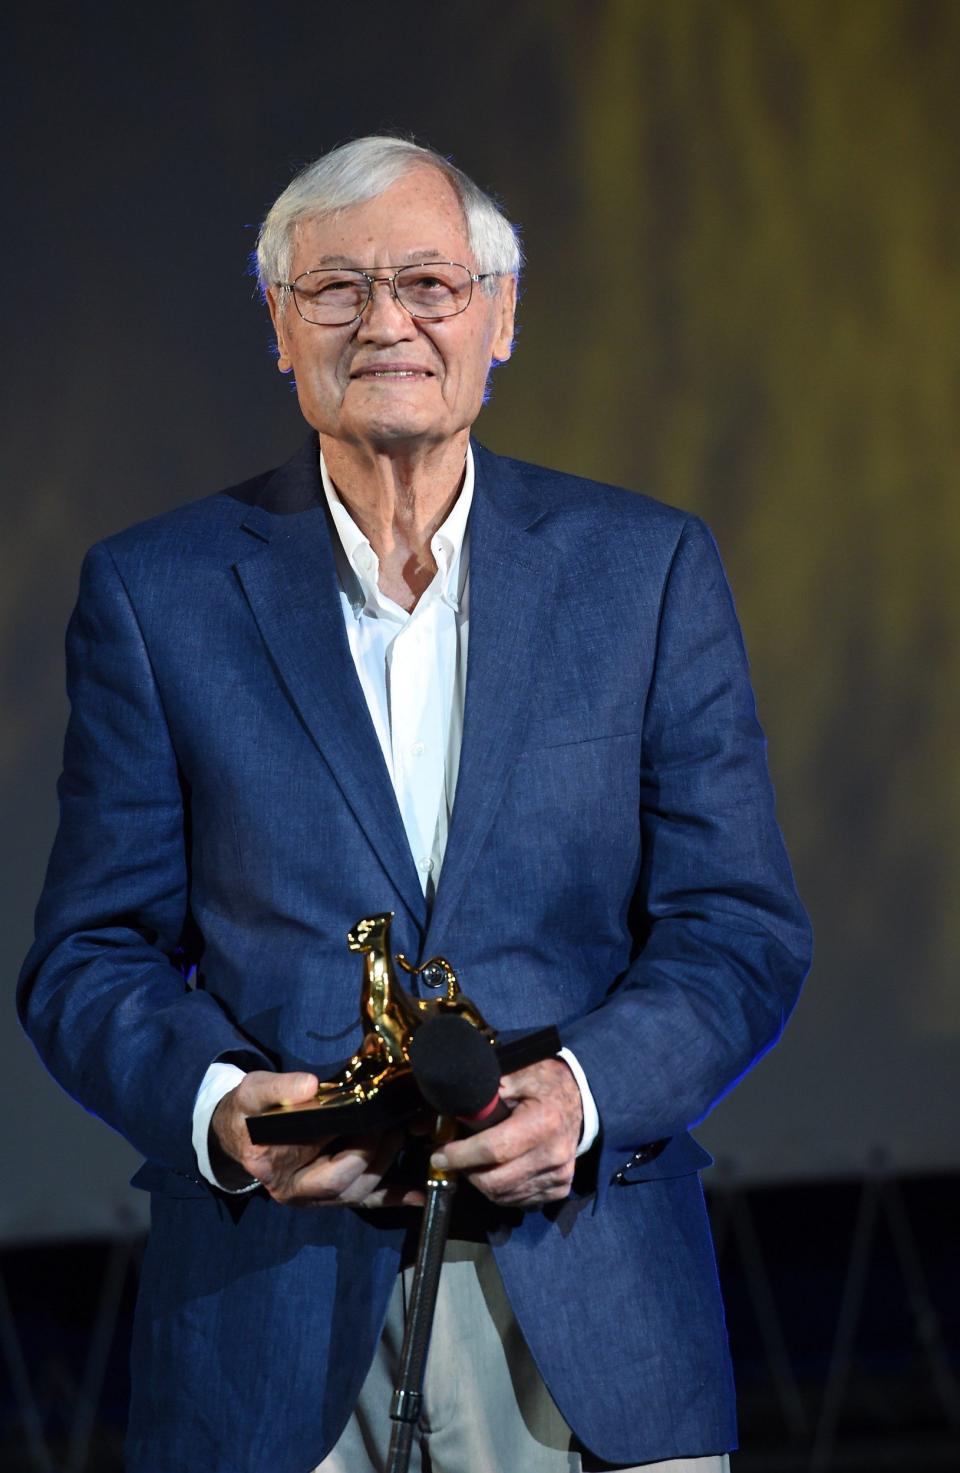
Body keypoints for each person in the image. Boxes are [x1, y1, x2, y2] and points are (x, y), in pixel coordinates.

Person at [18, 136, 811, 1473]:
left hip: (594, 1315)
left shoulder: (647, 572)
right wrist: (221, 1106)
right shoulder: (154, 595)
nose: (387, 320)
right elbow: (90, 955)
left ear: (500, 317)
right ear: (280, 327)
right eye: (337, 289)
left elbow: (738, 927)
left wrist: (584, 1091)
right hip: (265, 1330)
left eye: (431, 284)